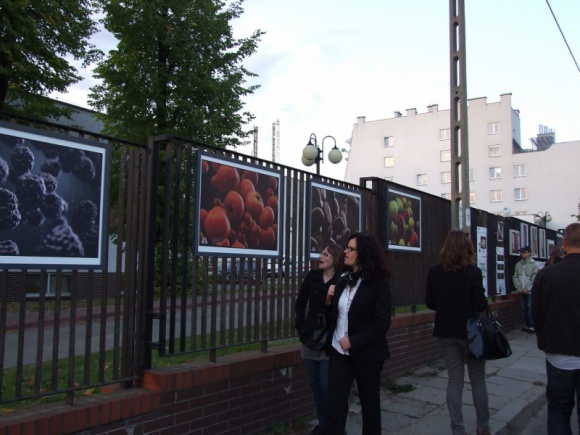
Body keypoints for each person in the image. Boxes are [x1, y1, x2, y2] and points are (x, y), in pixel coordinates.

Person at [323, 232, 391, 435]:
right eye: (346, 247)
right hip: (339, 353)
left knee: (370, 406)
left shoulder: (379, 283)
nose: (345, 251)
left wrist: (353, 341)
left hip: (367, 355)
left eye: (350, 249)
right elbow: (335, 315)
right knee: (335, 406)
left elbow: (382, 324)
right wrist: (328, 301)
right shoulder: (343, 278)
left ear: (364, 254)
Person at [425, 230, 491, 435]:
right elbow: (480, 304)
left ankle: (458, 429)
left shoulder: (435, 272)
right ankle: (483, 427)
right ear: (467, 248)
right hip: (471, 333)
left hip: (446, 331)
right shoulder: (473, 272)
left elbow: (430, 302)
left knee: (454, 381)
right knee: (478, 379)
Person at [532, 223, 580, 435]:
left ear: (564, 244)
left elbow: (537, 313)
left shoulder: (547, 275)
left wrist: (544, 338)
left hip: (559, 351)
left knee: (559, 410)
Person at [295, 243, 344, 434]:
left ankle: (333, 427)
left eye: (326, 254)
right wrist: (301, 325)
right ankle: (323, 425)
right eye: (321, 253)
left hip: (329, 339)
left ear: (335, 259)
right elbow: (300, 303)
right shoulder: (312, 277)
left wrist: (329, 301)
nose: (321, 256)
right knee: (314, 385)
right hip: (310, 337)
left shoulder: (340, 280)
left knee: (326, 385)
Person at [512, 245, 538, 333]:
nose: (522, 254)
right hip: (521, 290)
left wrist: (527, 288)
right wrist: (519, 288)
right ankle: (527, 325)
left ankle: (532, 325)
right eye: (521, 252)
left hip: (530, 291)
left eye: (524, 252)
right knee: (524, 308)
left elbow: (534, 278)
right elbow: (515, 277)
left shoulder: (534, 264)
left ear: (529, 253)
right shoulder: (518, 264)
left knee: (530, 307)